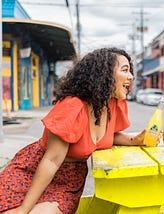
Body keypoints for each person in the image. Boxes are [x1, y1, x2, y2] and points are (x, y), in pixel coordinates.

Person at [0, 47, 147, 214]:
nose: (131, 76)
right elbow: (52, 161)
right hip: (34, 171)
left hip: (68, 181)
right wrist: (23, 209)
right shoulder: (73, 107)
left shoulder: (111, 104)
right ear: (104, 74)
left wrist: (134, 140)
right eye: (125, 70)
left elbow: (108, 136)